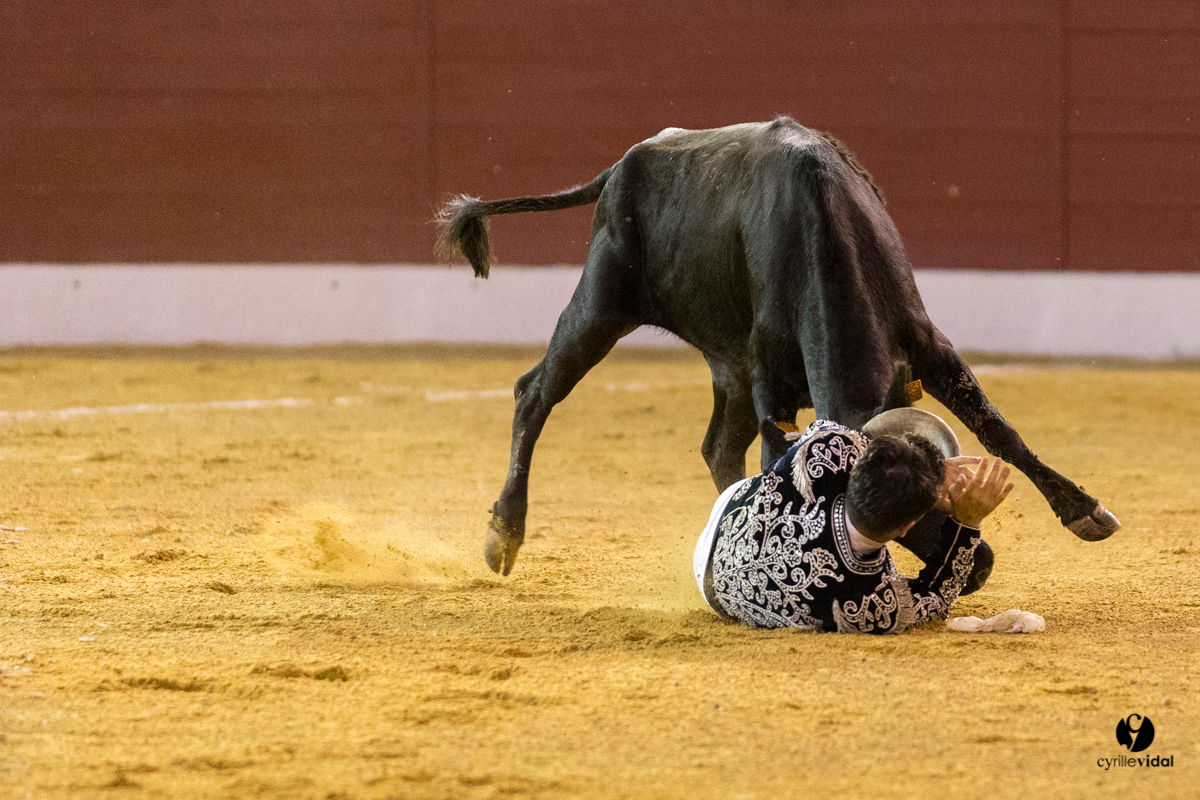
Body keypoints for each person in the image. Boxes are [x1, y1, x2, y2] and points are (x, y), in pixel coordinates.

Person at [694, 419, 1013, 634]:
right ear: (907, 528)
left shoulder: (832, 448)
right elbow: (936, 597)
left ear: (859, 470)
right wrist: (967, 522)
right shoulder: (869, 604)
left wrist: (921, 473)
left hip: (724, 528)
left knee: (799, 456)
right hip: (718, 594)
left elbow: (826, 428)